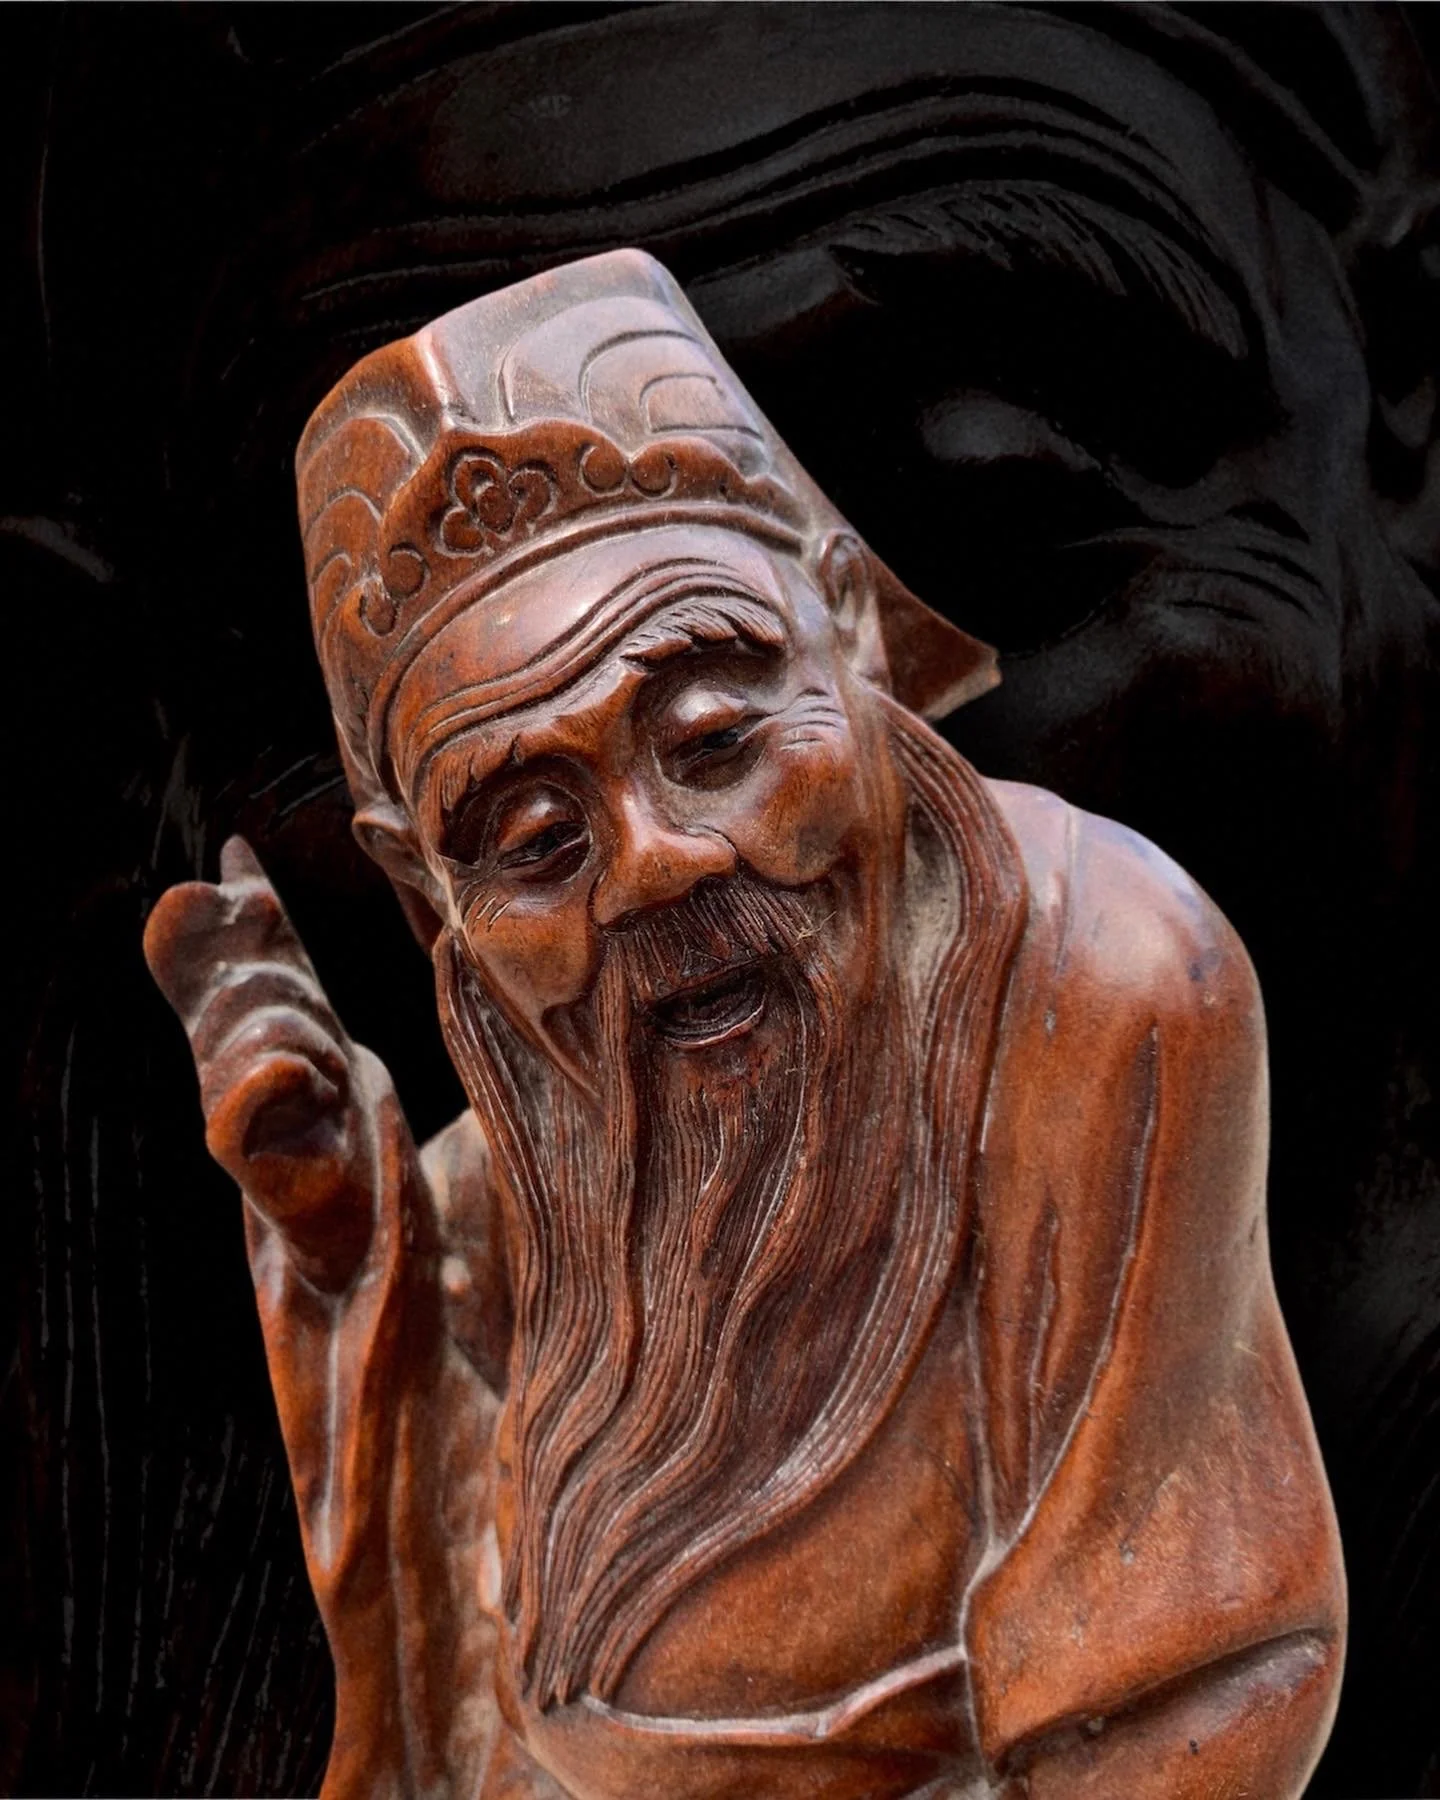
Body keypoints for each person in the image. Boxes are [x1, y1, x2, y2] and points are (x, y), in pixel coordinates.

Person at [144, 250, 1343, 1800]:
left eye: (713, 740)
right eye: (535, 841)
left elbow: (1189, 1686)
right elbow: (473, 1316)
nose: (655, 867)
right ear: (424, 891)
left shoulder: (1105, 981)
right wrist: (343, 1232)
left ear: (845, 620)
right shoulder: (587, 1062)